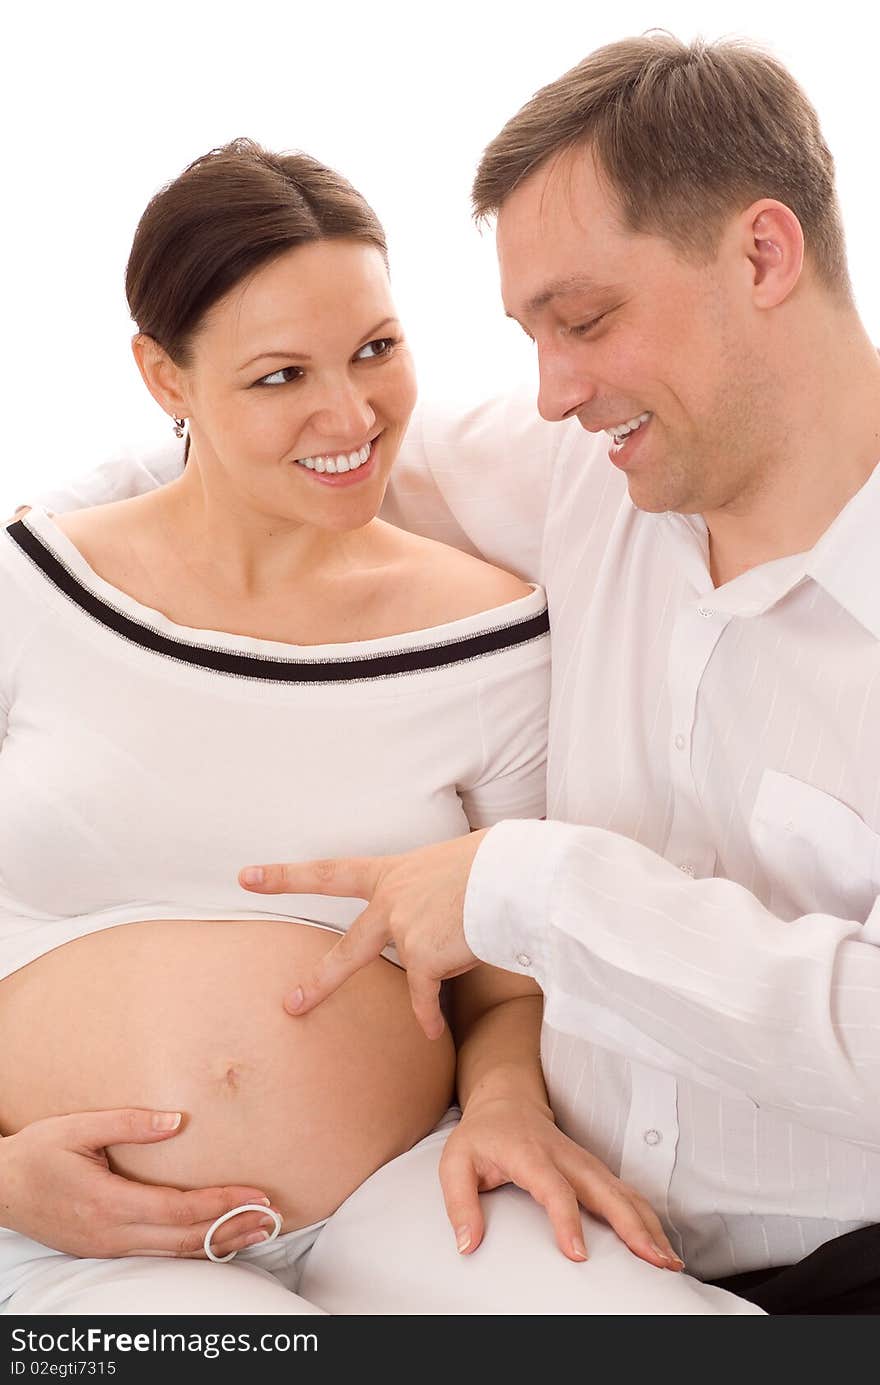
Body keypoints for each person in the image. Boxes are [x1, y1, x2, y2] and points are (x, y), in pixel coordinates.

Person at [0, 137, 757, 1317]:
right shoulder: (29, 591)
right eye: (277, 377)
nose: (350, 412)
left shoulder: (493, 631)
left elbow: (508, 973)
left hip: (402, 1189)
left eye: (374, 350)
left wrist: (504, 1100)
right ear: (164, 377)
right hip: (66, 1234)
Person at [216, 34, 880, 1315]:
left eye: (583, 321)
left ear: (762, 255)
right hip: (538, 1221)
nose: (554, 391)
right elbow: (291, 470)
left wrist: (532, 889)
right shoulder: (595, 468)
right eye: (530, 333)